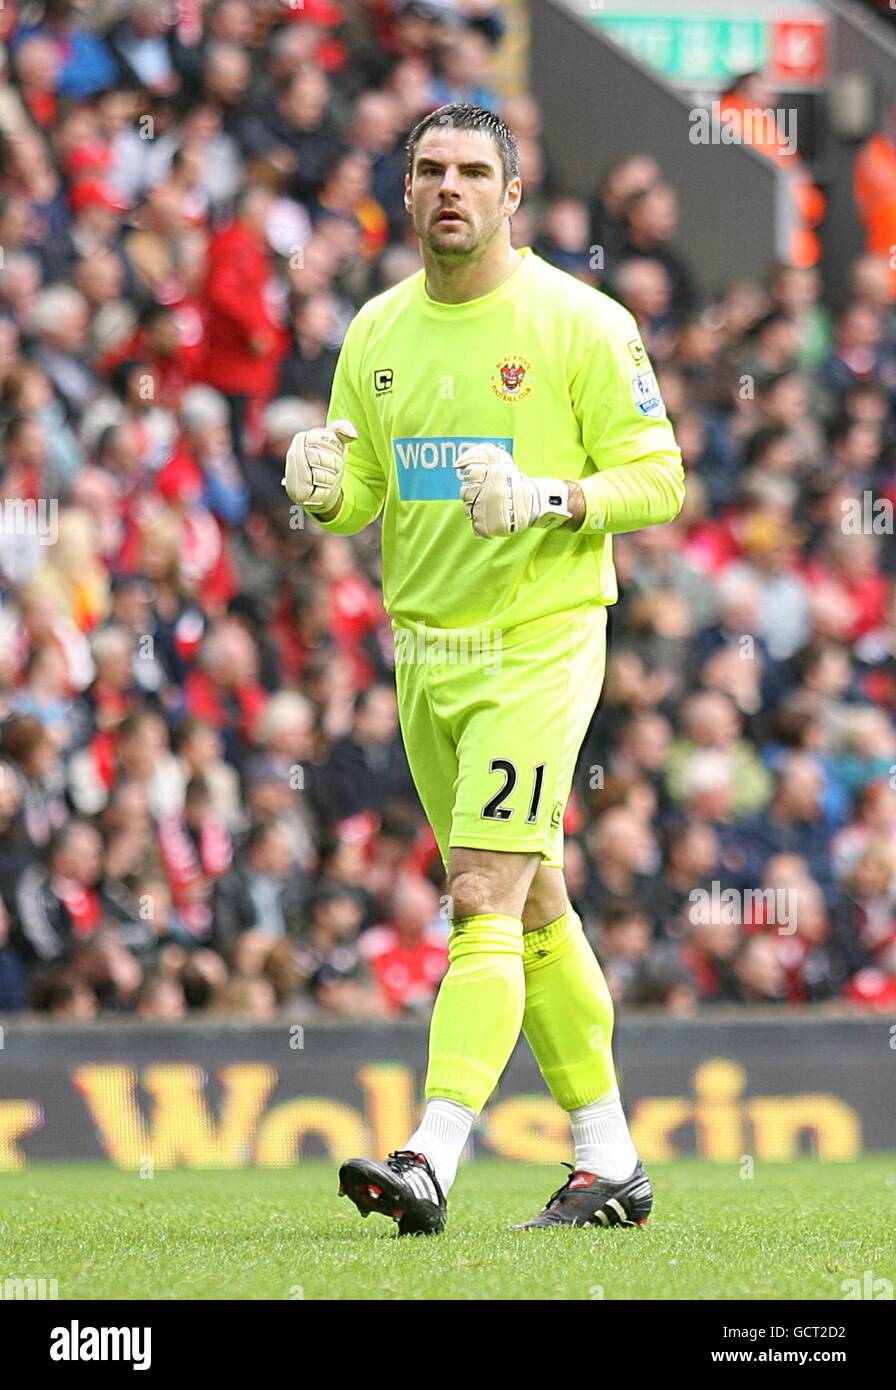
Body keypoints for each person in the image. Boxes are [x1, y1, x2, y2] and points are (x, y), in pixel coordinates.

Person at [283, 103, 685, 1234]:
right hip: (425, 653)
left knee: (477, 895)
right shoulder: (374, 332)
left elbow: (658, 478)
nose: (448, 187)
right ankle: (607, 1159)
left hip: (537, 644)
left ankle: (431, 1152)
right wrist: (321, 488)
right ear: (403, 193)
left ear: (512, 194)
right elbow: (365, 492)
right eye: (428, 170)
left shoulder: (578, 322)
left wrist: (551, 497)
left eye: (471, 170)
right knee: (535, 901)